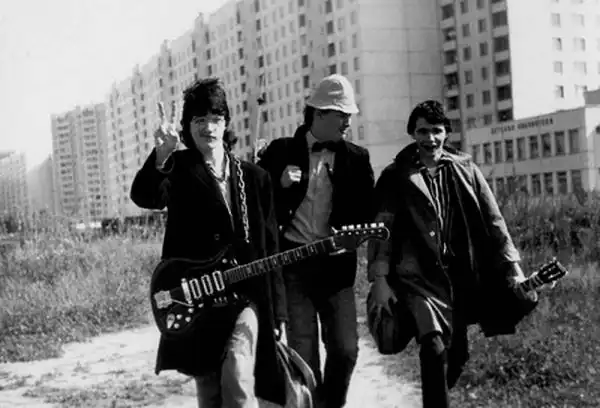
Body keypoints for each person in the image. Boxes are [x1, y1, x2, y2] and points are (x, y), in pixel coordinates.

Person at [367, 100, 540, 408]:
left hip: (459, 277)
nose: (430, 139)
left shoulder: (466, 169)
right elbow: (382, 231)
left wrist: (513, 268)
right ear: (412, 133)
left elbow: (495, 221)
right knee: (433, 346)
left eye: (436, 131)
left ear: (446, 132)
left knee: (456, 355)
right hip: (416, 278)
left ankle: (435, 400)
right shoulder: (395, 176)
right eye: (423, 131)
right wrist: (380, 280)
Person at [130, 77, 288, 408]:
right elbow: (145, 196)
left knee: (238, 374)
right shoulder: (178, 169)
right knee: (210, 392)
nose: (208, 127)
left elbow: (270, 247)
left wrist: (279, 312)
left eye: (215, 118)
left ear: (226, 122)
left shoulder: (254, 177)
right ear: (188, 126)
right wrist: (161, 153)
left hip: (245, 298)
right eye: (199, 120)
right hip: (199, 299)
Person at [257, 74, 375, 408]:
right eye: (342, 115)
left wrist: (354, 236)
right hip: (294, 268)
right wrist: (279, 186)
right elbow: (257, 209)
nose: (348, 122)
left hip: (337, 270)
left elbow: (368, 212)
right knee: (304, 356)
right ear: (319, 113)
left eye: (349, 115)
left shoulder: (358, 158)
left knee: (346, 350)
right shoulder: (279, 152)